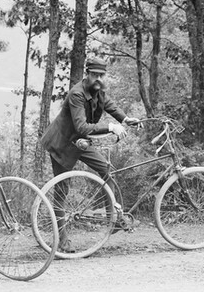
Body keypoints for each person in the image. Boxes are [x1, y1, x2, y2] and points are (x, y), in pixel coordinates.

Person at [39, 56, 141, 252]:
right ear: (87, 75)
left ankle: (113, 220)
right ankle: (62, 238)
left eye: (102, 75)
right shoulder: (76, 94)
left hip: (81, 142)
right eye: (95, 75)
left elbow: (111, 106)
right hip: (62, 143)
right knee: (62, 191)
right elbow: (82, 126)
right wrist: (111, 127)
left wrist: (126, 119)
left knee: (106, 170)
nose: (98, 79)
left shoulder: (99, 91)